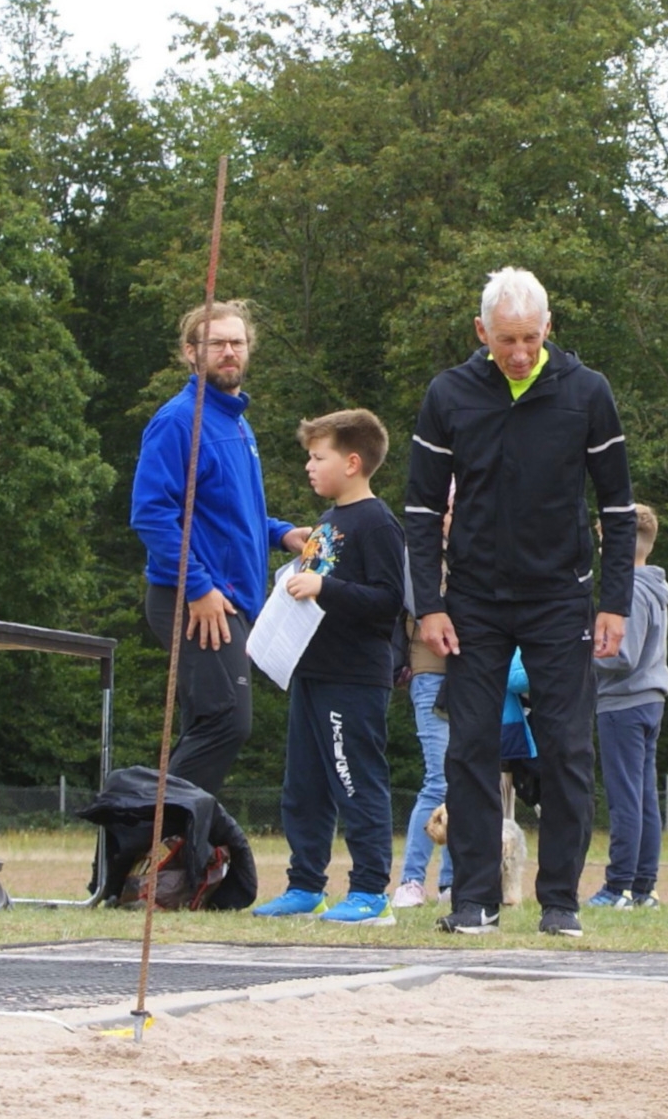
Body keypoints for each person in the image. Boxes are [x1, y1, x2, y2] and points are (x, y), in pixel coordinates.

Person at [407, 267, 636, 937]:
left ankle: (560, 902)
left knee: (566, 747)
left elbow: (618, 509)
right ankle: (473, 900)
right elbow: (421, 512)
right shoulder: (448, 395)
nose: (518, 352)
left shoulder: (587, 394)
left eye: (530, 339)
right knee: (470, 746)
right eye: (506, 339)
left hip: (561, 599)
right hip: (472, 601)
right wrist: (430, 603)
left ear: (548, 330)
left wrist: (613, 603)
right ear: (481, 332)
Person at [131, 300, 309, 798]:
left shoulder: (235, 423)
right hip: (194, 597)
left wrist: (280, 533)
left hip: (228, 598)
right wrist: (199, 587)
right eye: (217, 343)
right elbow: (151, 513)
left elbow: (229, 512)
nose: (229, 352)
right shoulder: (178, 421)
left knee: (209, 724)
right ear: (192, 353)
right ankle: (146, 841)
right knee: (228, 722)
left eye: (237, 342)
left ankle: (175, 862)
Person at [250, 410, 407, 925]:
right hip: (311, 671)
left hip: (353, 677)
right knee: (305, 785)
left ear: (354, 462)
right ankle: (304, 886)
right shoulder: (328, 522)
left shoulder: (378, 522)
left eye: (319, 457)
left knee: (354, 779)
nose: (308, 467)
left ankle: (369, 892)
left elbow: (388, 601)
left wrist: (326, 588)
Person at [589, 503, 668, 910]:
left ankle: (618, 885)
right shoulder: (654, 587)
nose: (601, 549)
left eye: (604, 540)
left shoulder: (631, 590)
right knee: (643, 797)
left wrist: (579, 654)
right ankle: (642, 887)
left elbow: (623, 655)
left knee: (625, 798)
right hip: (649, 700)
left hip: (624, 703)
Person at [392, 488, 453, 911]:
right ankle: (412, 880)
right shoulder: (420, 551)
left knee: (466, 782)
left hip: (475, 679)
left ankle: (452, 880)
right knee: (440, 779)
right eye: (449, 507)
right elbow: (422, 605)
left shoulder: (484, 549)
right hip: (431, 672)